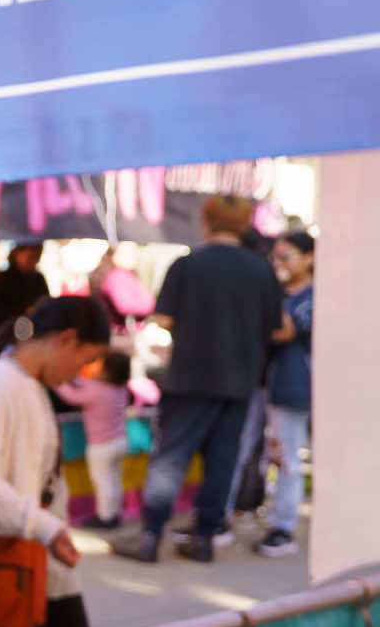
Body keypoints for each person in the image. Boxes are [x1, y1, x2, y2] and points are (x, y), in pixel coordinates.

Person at [115, 196, 286, 564]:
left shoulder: (188, 264)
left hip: (190, 376)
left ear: (206, 219)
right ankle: (205, 536)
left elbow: (164, 319)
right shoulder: (261, 270)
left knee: (171, 457)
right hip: (239, 379)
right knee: (223, 459)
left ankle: (150, 535)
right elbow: (277, 328)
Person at [0, 295, 113, 627]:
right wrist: (44, 527)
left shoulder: (26, 384)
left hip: (38, 557)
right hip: (10, 559)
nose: (79, 374)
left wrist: (48, 530)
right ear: (66, 339)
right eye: (85, 361)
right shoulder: (0, 385)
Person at [257, 231, 315, 558]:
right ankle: (279, 521)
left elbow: (285, 330)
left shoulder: (314, 295)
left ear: (309, 257)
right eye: (275, 257)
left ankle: (283, 526)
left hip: (298, 386)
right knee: (281, 457)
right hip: (276, 385)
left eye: (285, 256)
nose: (278, 263)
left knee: (288, 459)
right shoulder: (284, 292)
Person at [57, 350, 133, 530]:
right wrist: (73, 378)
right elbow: (86, 384)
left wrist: (57, 382)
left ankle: (105, 517)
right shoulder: (121, 389)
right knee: (115, 480)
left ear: (107, 370)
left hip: (101, 445)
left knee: (103, 482)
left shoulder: (97, 390)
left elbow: (71, 396)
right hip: (120, 441)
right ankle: (114, 514)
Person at [0, 239, 50, 334]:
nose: (32, 262)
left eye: (36, 258)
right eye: (30, 257)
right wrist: (23, 312)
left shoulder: (38, 279)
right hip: (6, 334)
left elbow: (46, 304)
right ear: (17, 254)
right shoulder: (2, 279)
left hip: (34, 335)